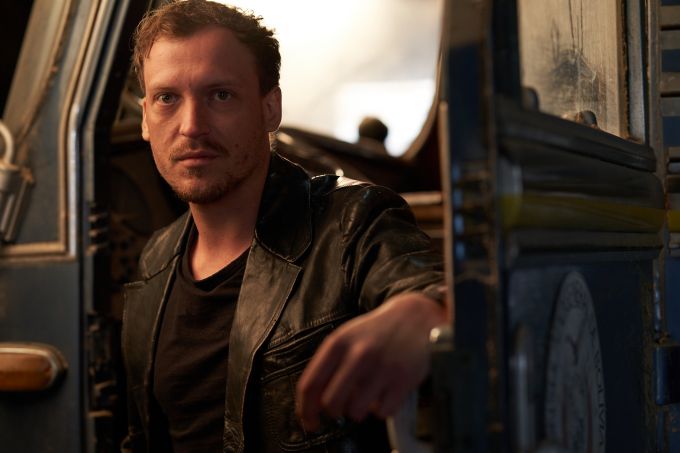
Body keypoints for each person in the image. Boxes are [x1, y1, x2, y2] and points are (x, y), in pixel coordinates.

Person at [121, 1, 446, 451]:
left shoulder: (353, 221)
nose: (191, 126)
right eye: (167, 98)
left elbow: (431, 291)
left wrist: (427, 311)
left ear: (270, 108)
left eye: (220, 95)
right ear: (145, 118)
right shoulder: (155, 259)